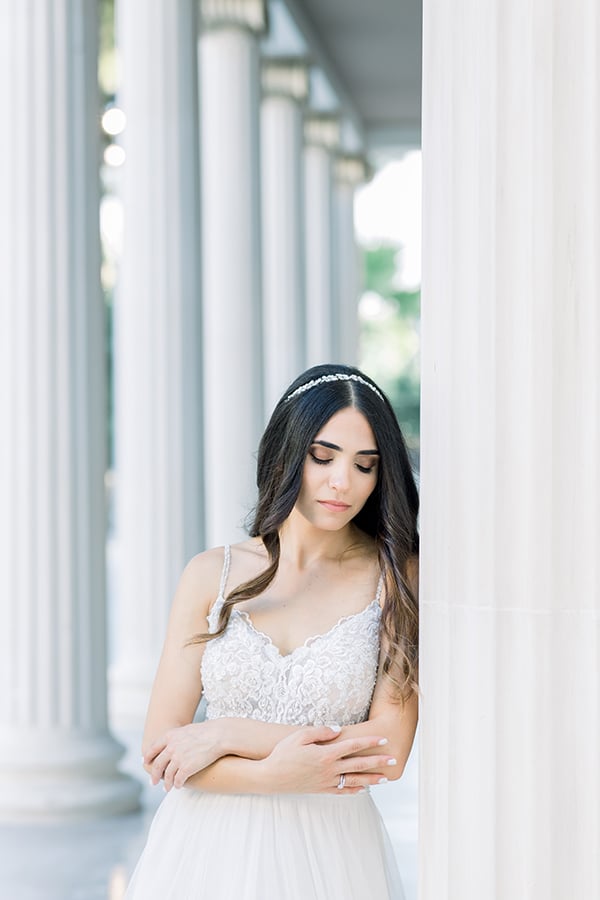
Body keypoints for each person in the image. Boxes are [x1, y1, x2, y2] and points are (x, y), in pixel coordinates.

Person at [125, 363, 419, 900]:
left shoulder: (395, 578)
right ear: (287, 451)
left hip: (331, 853)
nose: (342, 482)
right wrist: (272, 774)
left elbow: (388, 750)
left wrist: (228, 733)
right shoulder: (209, 574)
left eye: (365, 466)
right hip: (204, 850)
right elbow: (162, 748)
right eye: (323, 457)